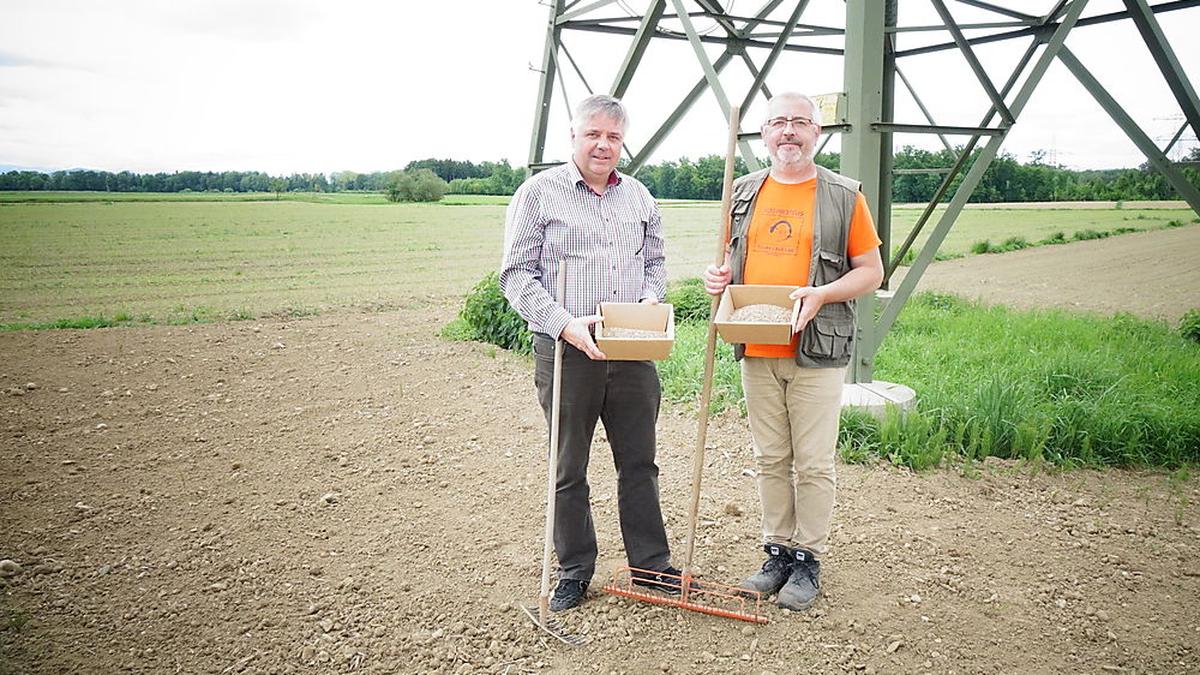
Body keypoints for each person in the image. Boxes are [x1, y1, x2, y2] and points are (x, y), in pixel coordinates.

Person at [500, 94, 683, 611]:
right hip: (567, 350)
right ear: (573, 137)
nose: (603, 145)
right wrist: (563, 324)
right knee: (568, 466)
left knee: (640, 463)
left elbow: (655, 263)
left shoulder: (640, 196)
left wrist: (650, 299)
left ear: (624, 142)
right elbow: (516, 275)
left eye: (614, 137)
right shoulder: (538, 194)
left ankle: (651, 566)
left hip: (631, 349)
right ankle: (575, 569)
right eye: (593, 135)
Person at [704, 92, 884, 611]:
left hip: (816, 348)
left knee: (813, 461)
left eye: (800, 123)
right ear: (763, 134)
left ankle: (808, 559)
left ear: (817, 133)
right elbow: (729, 264)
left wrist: (822, 294)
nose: (789, 131)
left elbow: (871, 271)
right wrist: (719, 278)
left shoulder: (843, 195)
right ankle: (777, 552)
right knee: (770, 458)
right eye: (779, 122)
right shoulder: (741, 192)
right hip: (755, 345)